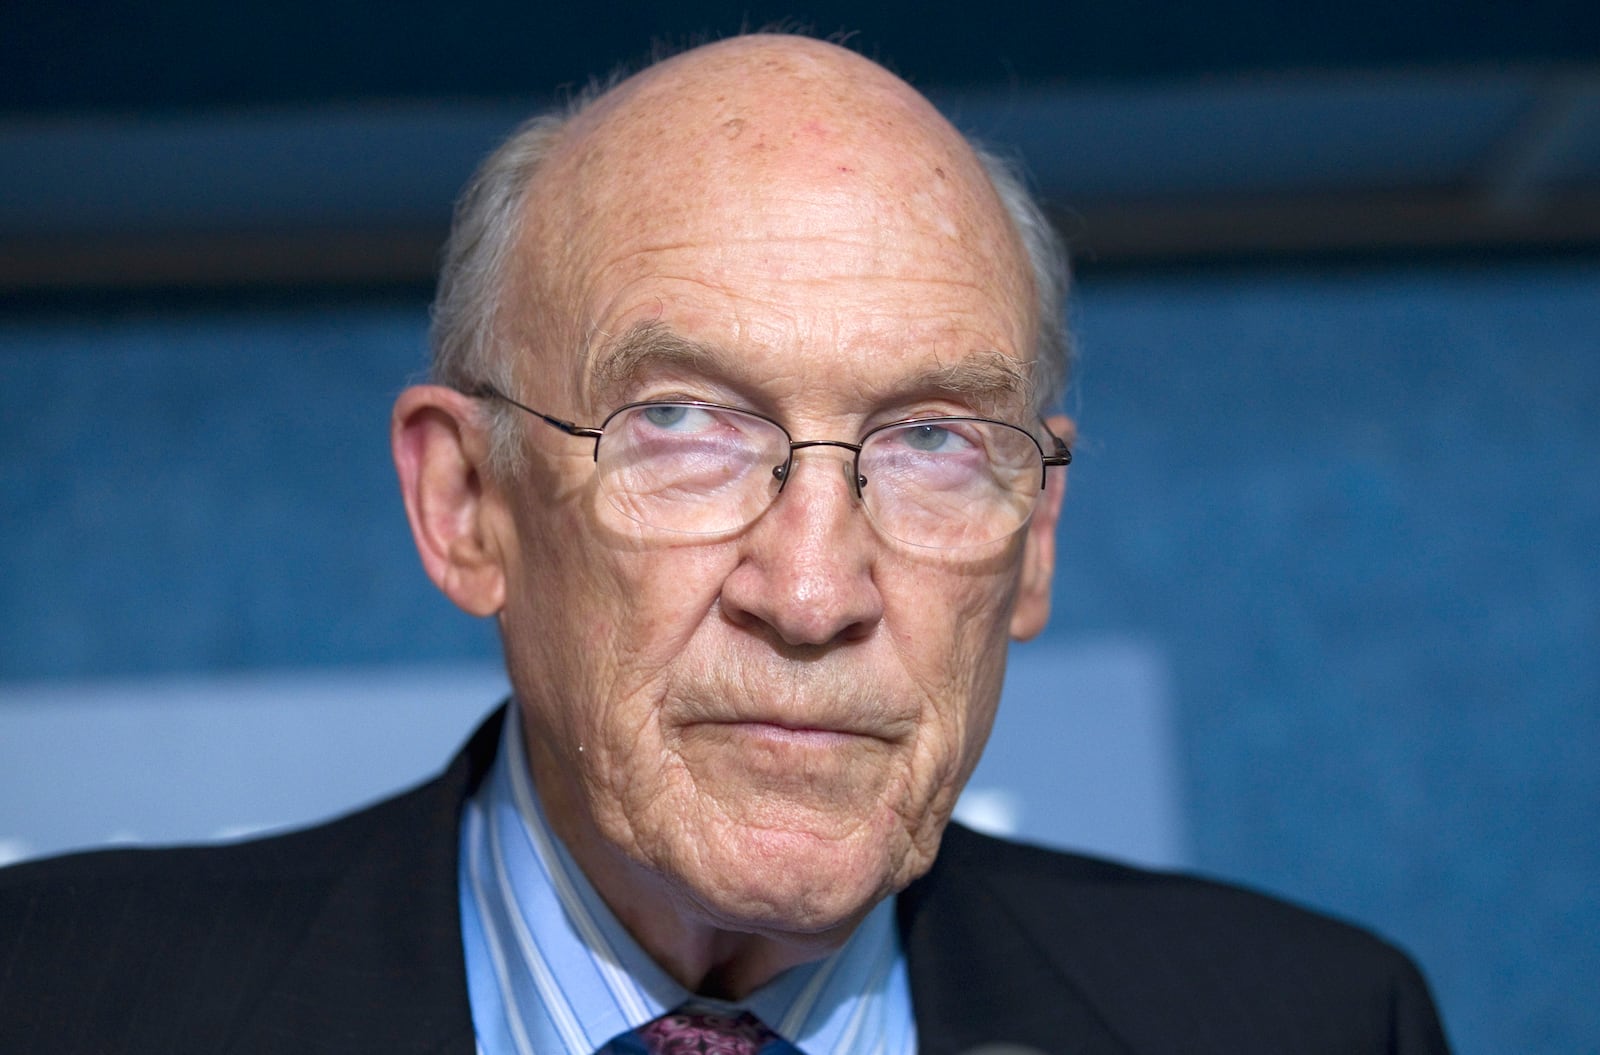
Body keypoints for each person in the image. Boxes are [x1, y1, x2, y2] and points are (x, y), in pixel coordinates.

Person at [0, 33, 1449, 1055]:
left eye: (934, 441)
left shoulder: (1313, 1025)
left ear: (1038, 539)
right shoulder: (57, 1004)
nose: (813, 593)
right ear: (466, 504)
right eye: (684, 426)